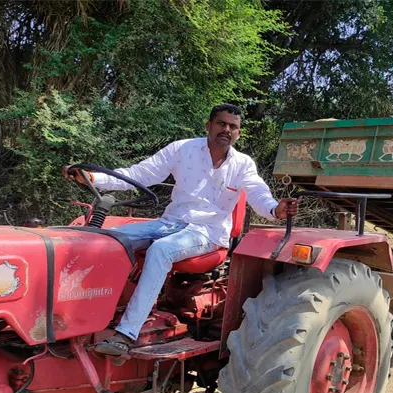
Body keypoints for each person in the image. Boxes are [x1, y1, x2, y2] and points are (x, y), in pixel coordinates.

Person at [63, 104, 298, 356]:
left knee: (161, 250)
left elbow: (258, 193)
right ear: (208, 126)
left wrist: (275, 209)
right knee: (108, 240)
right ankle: (76, 314)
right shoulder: (182, 149)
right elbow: (140, 174)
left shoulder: (242, 164)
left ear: (238, 133)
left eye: (233, 126)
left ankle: (125, 335)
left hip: (207, 232)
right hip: (170, 222)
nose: (226, 130)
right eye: (221, 123)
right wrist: (94, 178)